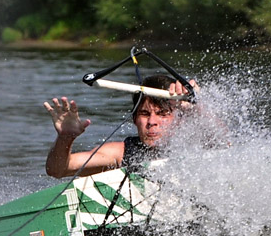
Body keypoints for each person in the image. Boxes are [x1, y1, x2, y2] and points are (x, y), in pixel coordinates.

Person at [44, 74, 196, 178]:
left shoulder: (198, 145)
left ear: (180, 119)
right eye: (144, 114)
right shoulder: (120, 154)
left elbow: (219, 136)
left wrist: (198, 107)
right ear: (135, 119)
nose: (151, 122)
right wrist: (65, 137)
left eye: (162, 114)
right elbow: (57, 170)